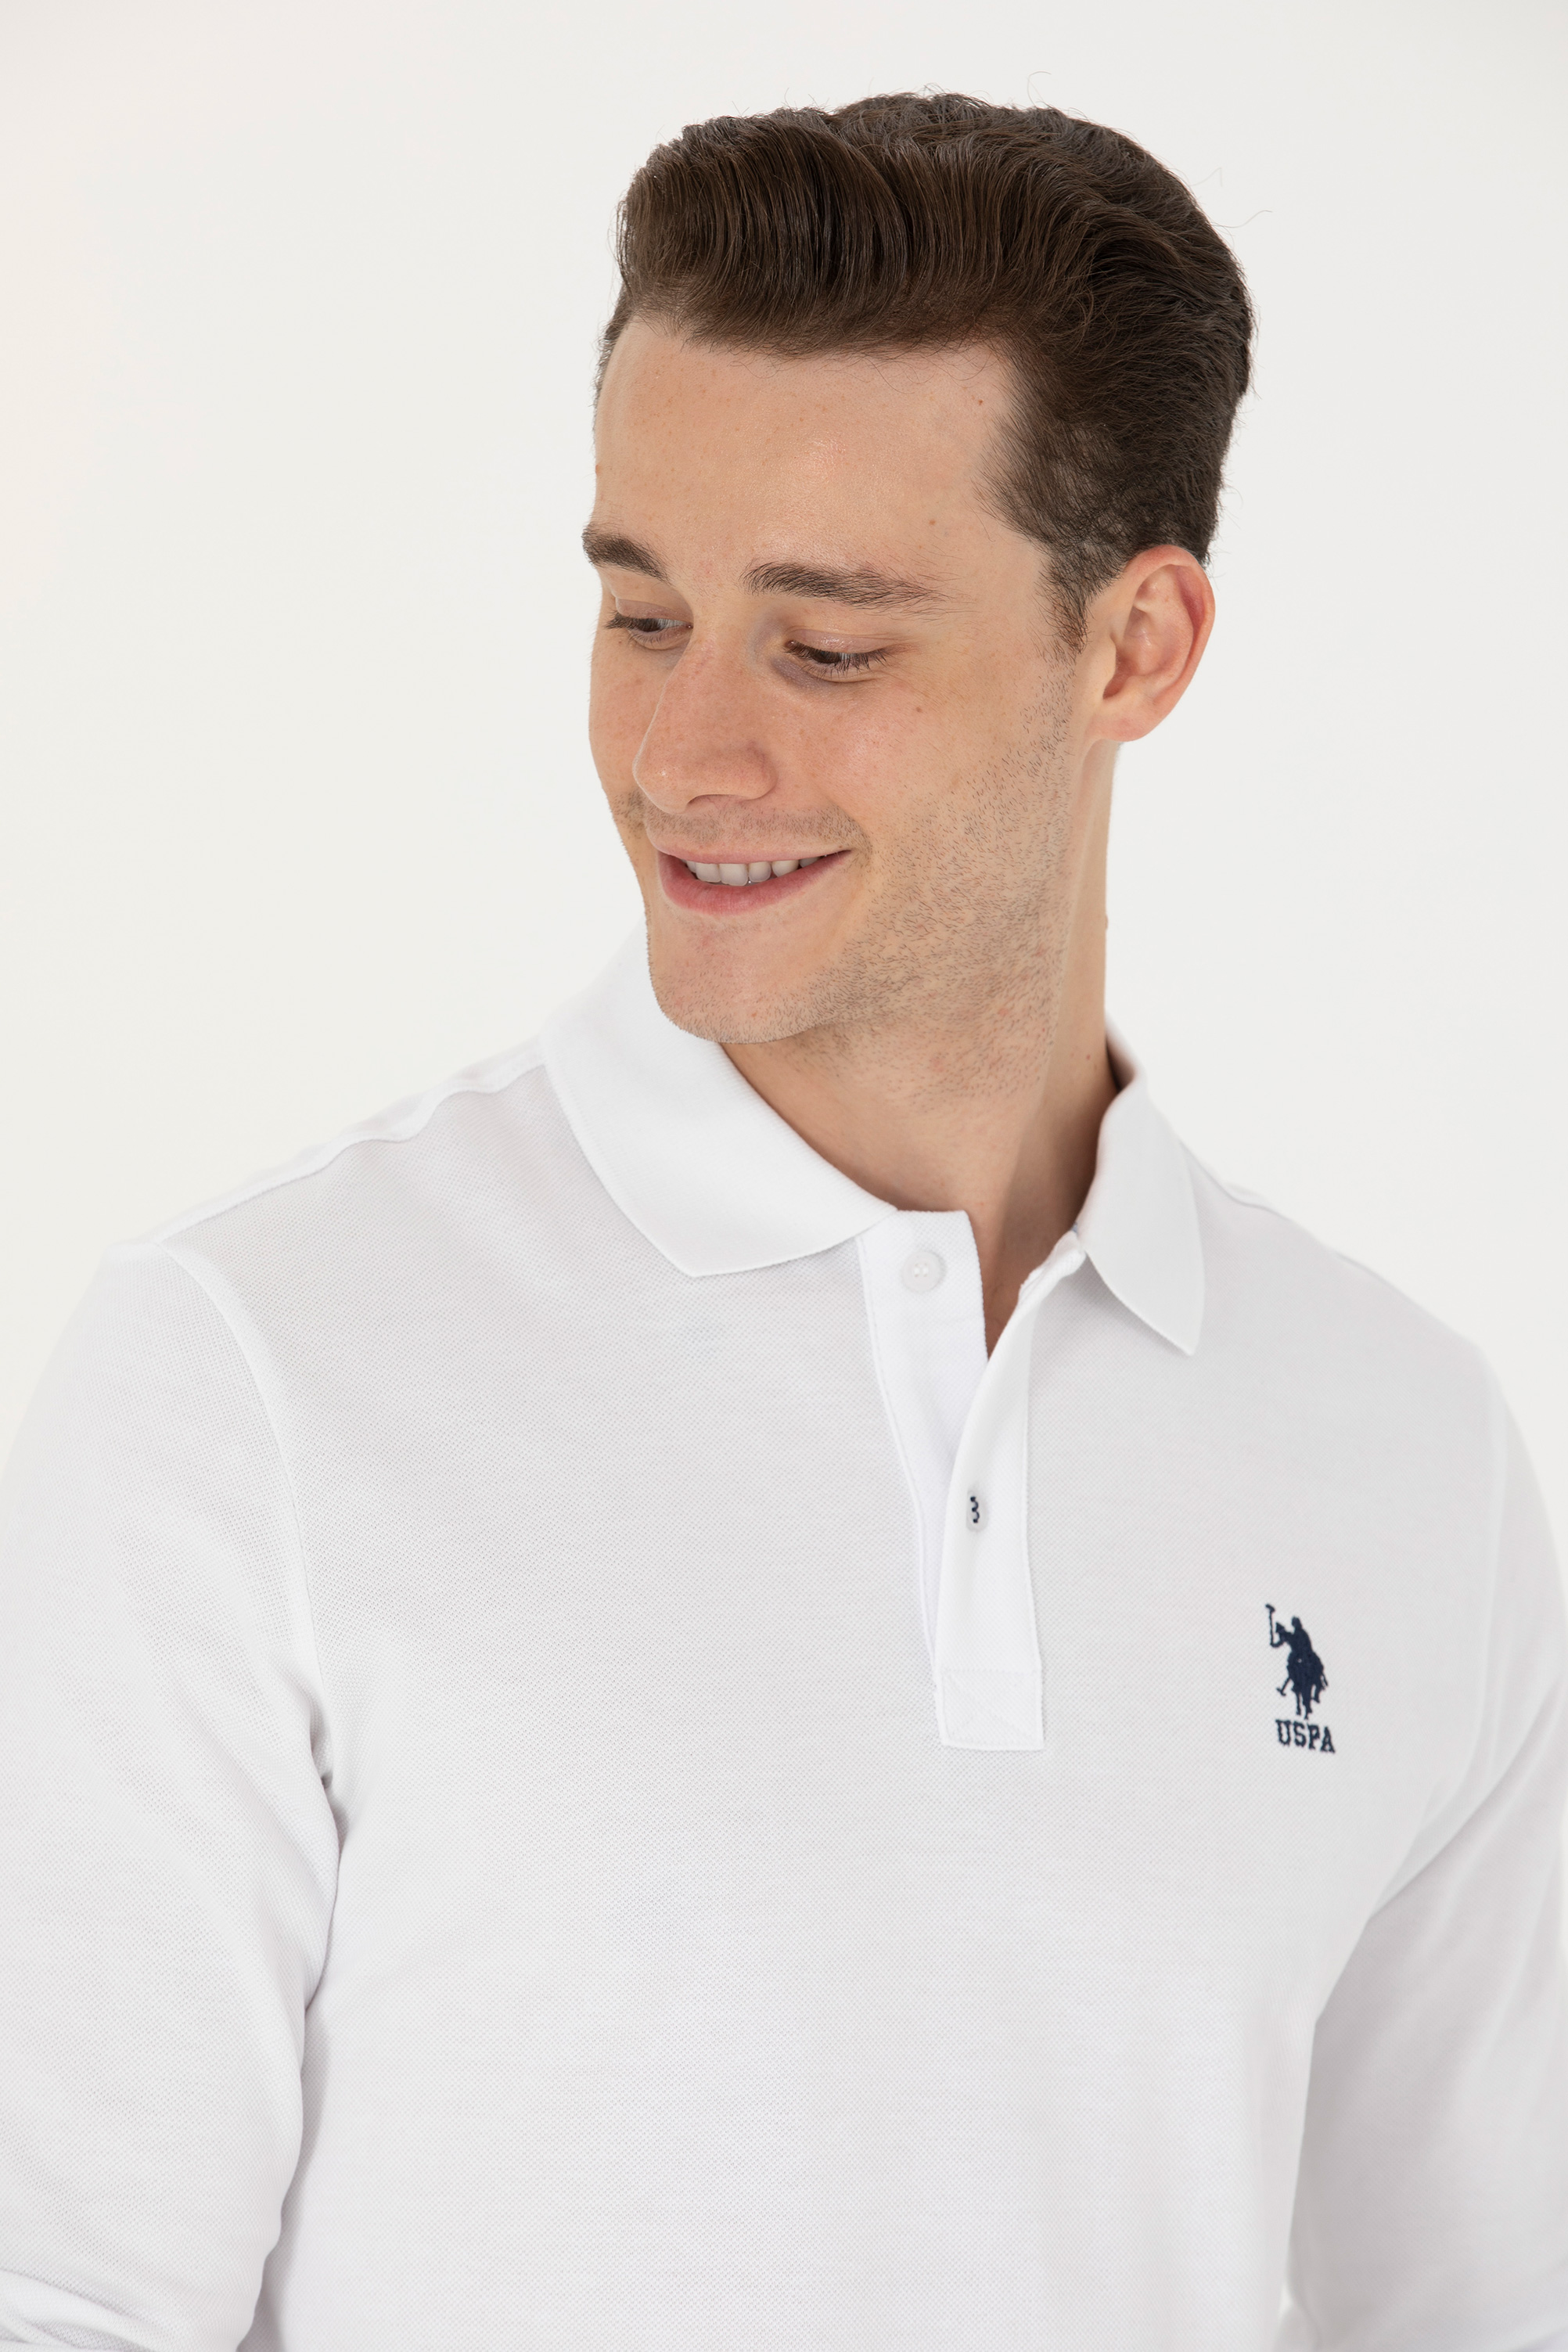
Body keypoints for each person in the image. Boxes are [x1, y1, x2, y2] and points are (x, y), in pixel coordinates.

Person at [1, 91, 1565, 2352]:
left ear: (1135, 646)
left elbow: (1473, 2311)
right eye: (642, 612)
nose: (686, 753)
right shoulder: (252, 1378)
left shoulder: (1400, 1451)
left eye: (825, 649)